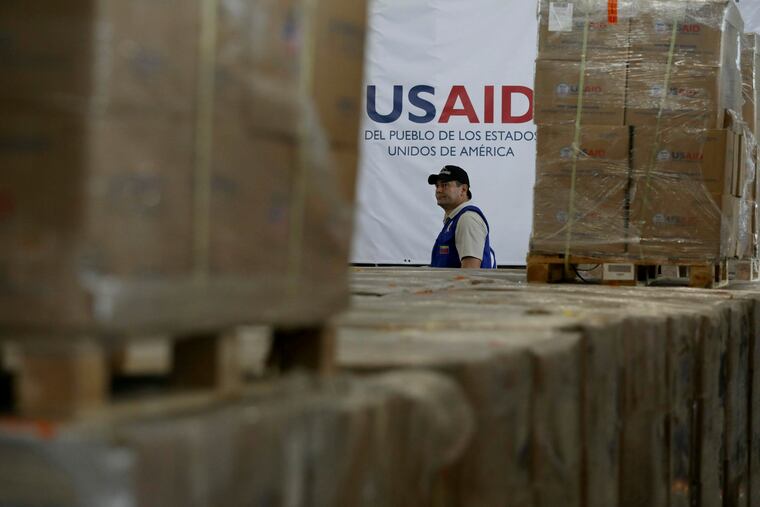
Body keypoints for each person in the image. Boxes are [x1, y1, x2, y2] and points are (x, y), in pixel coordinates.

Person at [428, 165, 496, 269]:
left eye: (445, 185)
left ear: (463, 190)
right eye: (437, 186)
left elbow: (471, 273)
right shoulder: (455, 218)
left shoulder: (467, 219)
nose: (439, 190)